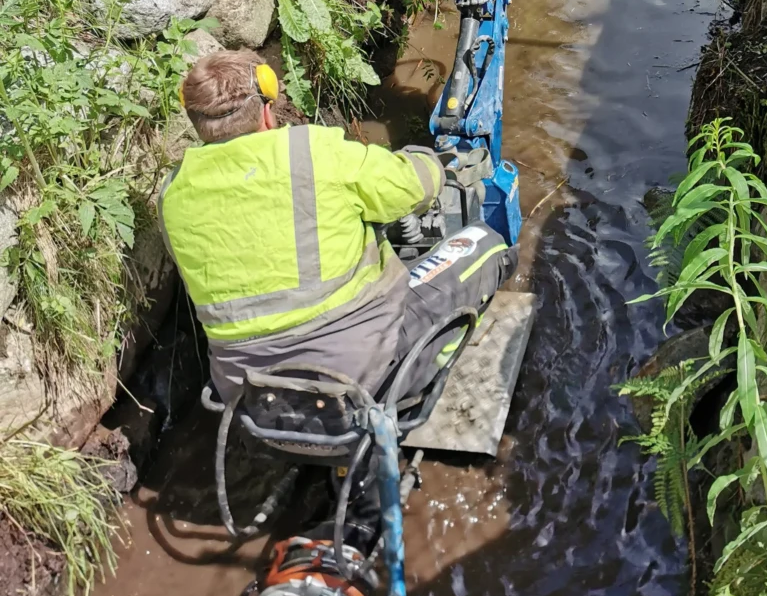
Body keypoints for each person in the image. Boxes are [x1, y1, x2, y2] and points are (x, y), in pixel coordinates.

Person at [156, 48, 517, 407]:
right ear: (267, 111)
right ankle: (418, 392)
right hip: (357, 380)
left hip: (250, 396)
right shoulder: (312, 150)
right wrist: (429, 161)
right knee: (484, 245)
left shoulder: (172, 195)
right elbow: (411, 186)